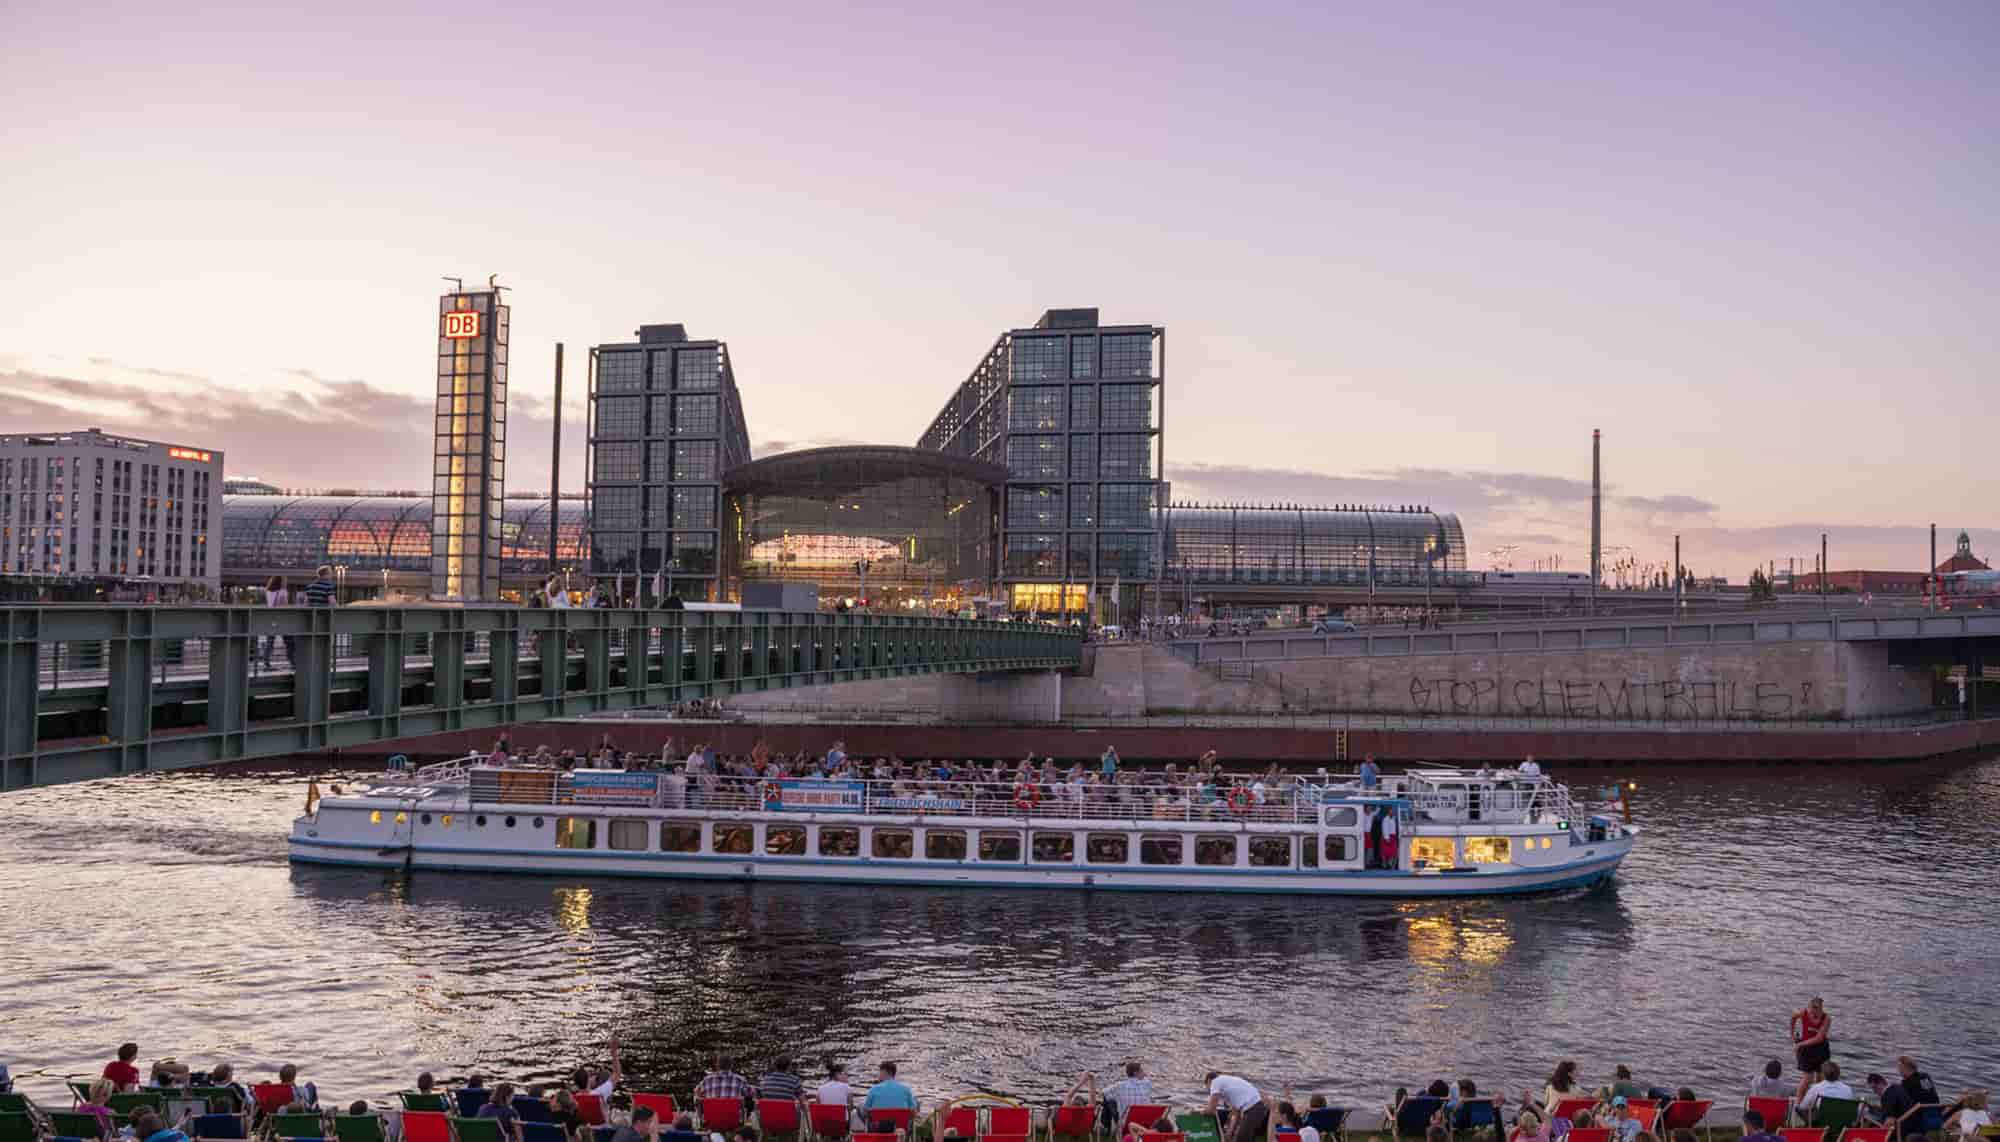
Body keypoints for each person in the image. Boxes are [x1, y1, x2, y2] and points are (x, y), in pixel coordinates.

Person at [1204, 1071, 1265, 1142]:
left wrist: (1201, 1112)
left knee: (1242, 1139)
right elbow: (1237, 1114)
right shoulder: (1228, 1086)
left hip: (1254, 1107)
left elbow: (1211, 1109)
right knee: (1241, 1137)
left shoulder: (1215, 1082)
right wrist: (1229, 1133)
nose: (1209, 1090)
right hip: (1256, 1108)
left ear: (1208, 1081)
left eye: (1207, 1087)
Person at [859, 1062, 917, 1130]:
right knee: (915, 1104)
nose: (879, 1075)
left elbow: (865, 1111)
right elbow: (913, 1111)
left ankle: (870, 1131)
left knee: (860, 1108)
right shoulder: (906, 1089)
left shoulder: (874, 1089)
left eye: (880, 1072)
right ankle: (907, 1135)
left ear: (886, 1073)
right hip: (900, 1128)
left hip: (879, 1128)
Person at [1103, 1061, 1155, 1130]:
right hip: (1146, 1123)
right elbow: (1146, 1080)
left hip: (1126, 1124)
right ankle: (1106, 1124)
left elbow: (1104, 1092)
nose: (1144, 1073)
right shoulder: (1147, 1084)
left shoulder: (1120, 1085)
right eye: (1142, 1071)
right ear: (1135, 1073)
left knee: (1110, 1101)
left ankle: (1106, 1125)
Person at [1791, 997, 1833, 1079]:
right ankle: (1802, 1092)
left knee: (1820, 1075)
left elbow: (1819, 1038)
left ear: (1820, 1009)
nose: (1812, 1013)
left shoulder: (1826, 1018)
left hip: (1820, 1049)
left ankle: (1817, 1091)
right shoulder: (1804, 1013)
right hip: (1806, 1049)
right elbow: (1793, 1018)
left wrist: (1799, 1044)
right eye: (1811, 1009)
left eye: (1816, 1009)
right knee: (1808, 1077)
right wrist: (1792, 1034)